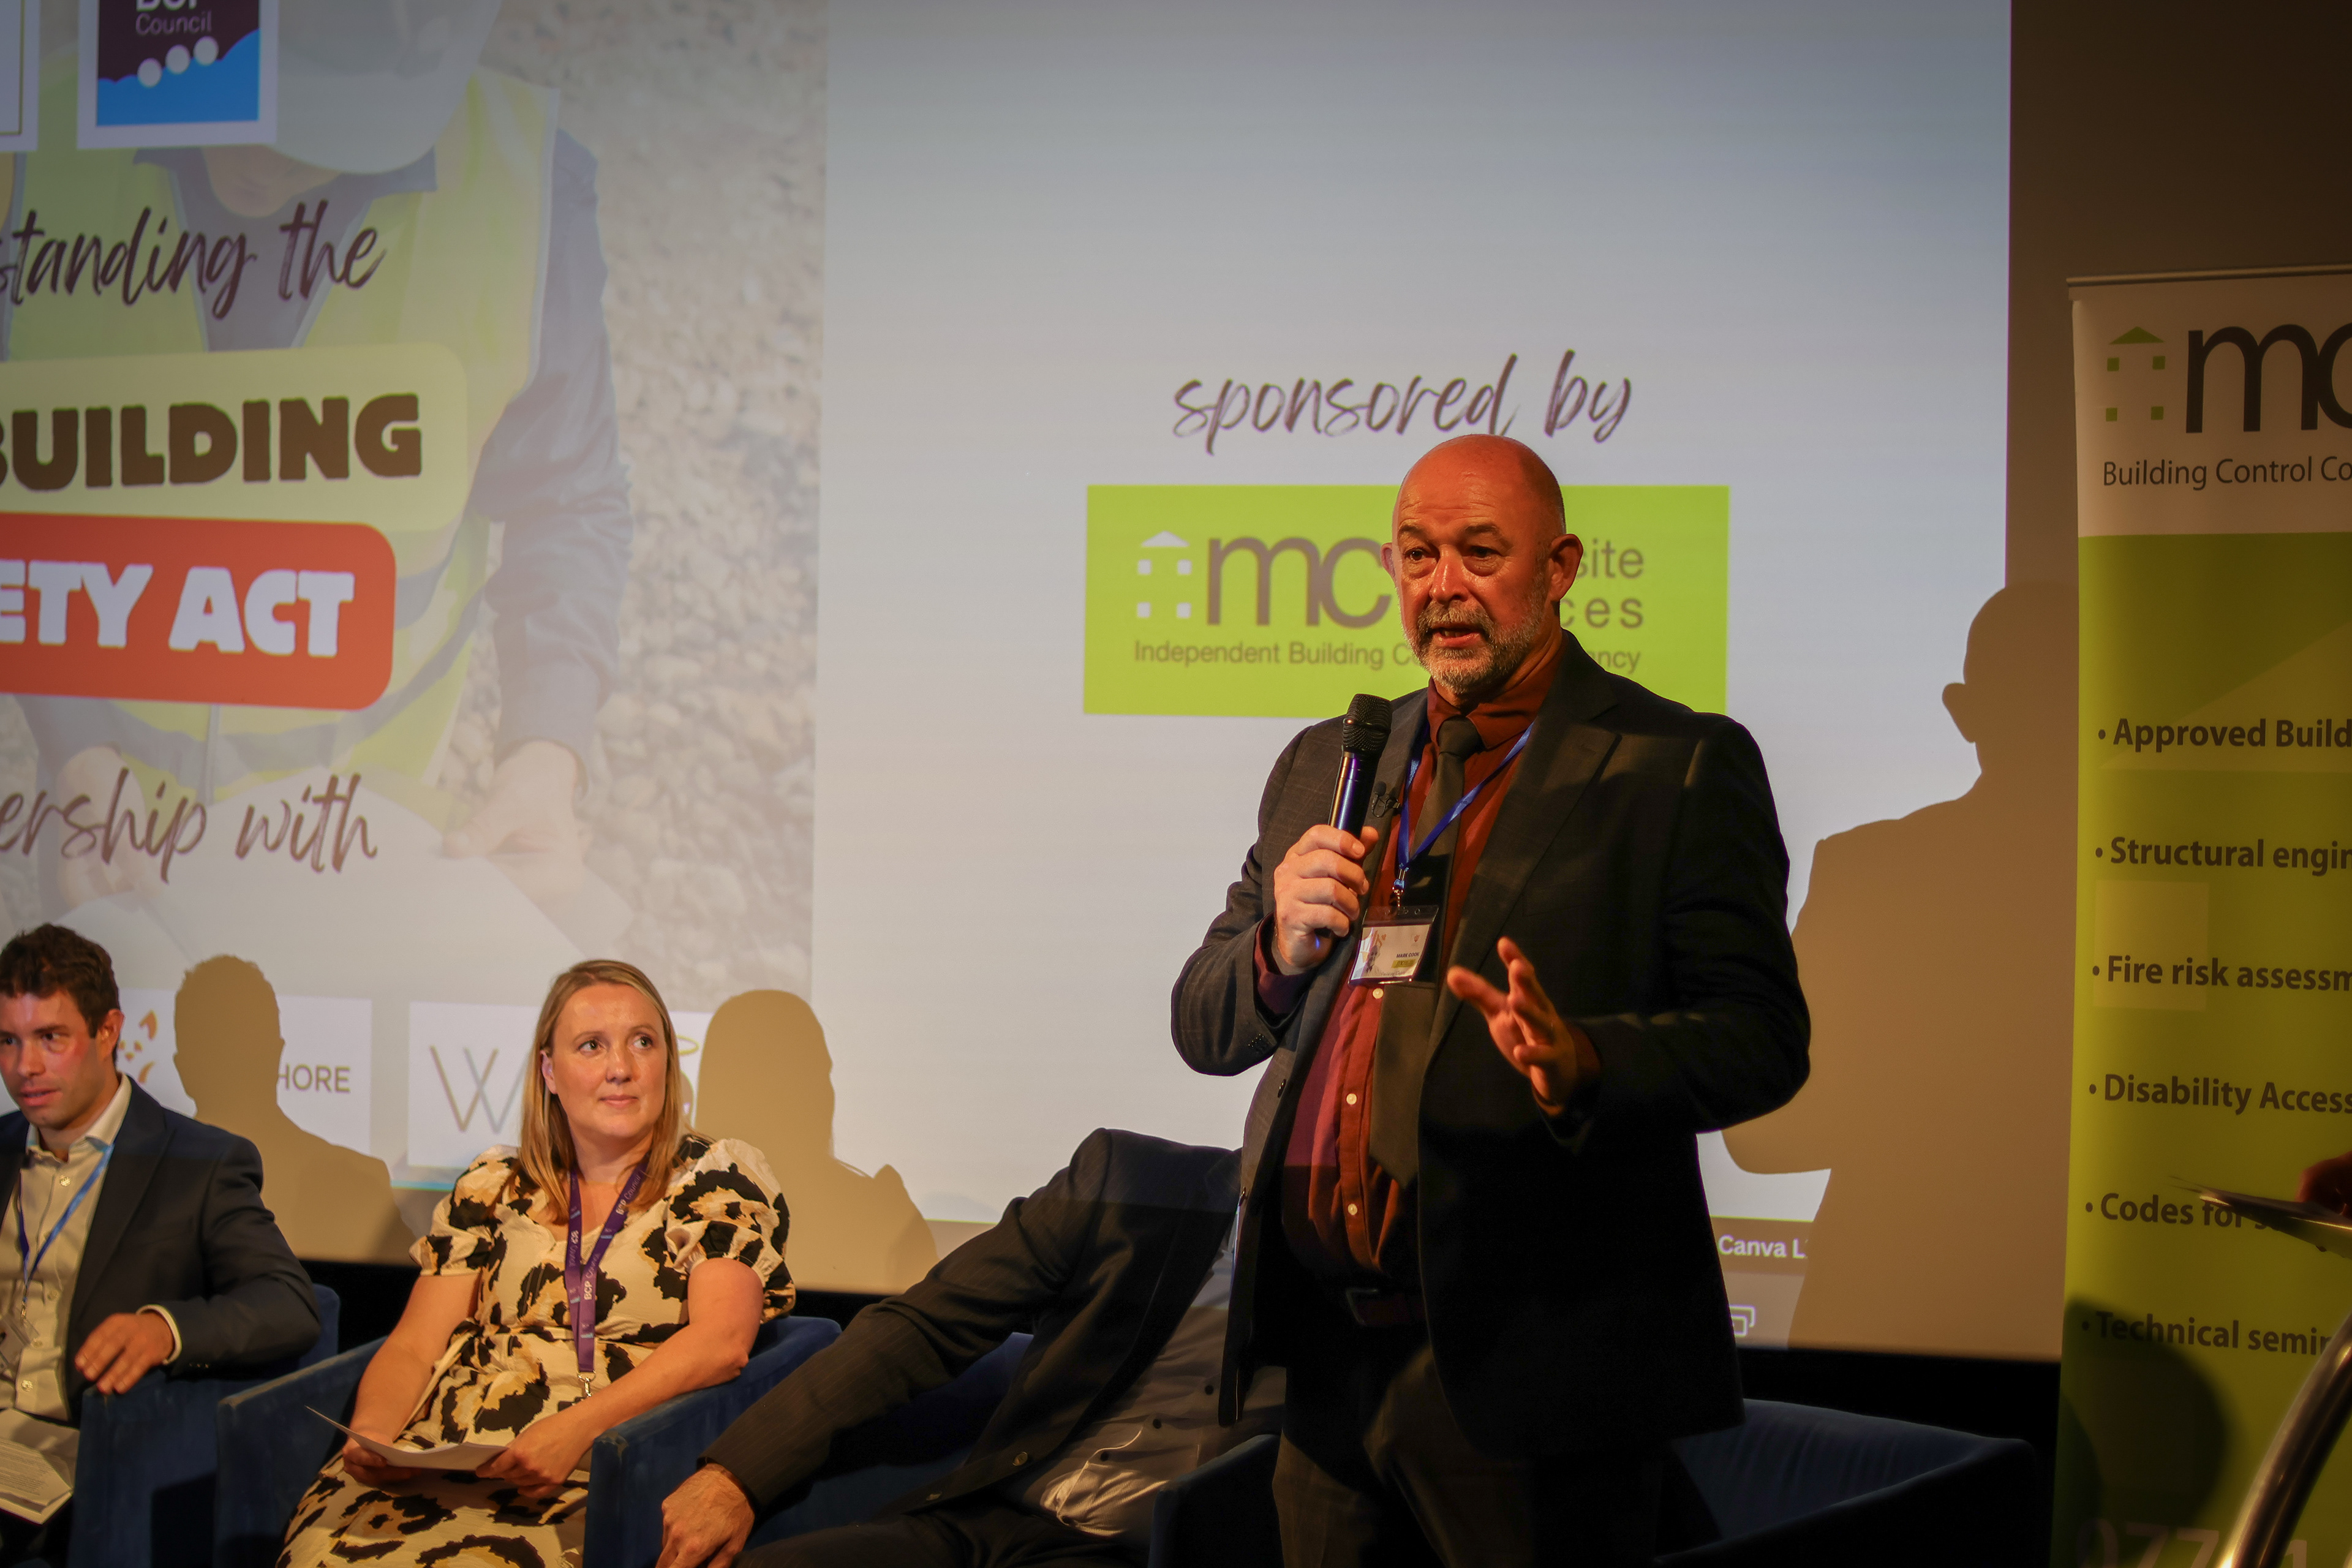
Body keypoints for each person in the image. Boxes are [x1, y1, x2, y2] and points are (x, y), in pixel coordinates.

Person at [1170, 434, 1810, 1566]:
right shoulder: (1331, 763)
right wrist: (1274, 949)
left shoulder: (1673, 764)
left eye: (1480, 552)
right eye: (1418, 555)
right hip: (1326, 1370)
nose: (1443, 587)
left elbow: (1761, 1040)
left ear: (1560, 569)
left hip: (1535, 1374)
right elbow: (1203, 1023)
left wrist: (1588, 1063)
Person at [4, 0, 631, 913]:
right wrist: (74, 744)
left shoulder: (525, 194)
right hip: (101, 832)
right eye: (236, 106)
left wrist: (545, 750)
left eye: (312, 131)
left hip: (369, 853)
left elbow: (566, 501)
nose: (262, 158)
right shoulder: (33, 154)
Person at [280, 959, 793, 1567]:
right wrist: (374, 1435)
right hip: (447, 1456)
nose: (621, 1067)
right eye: (592, 1045)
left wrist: (578, 1429)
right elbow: (416, 1345)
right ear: (549, 1071)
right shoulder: (493, 1184)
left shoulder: (713, 1180)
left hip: (593, 1474)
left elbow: (723, 1342)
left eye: (643, 1042)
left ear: (667, 1062)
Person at [653, 1129, 1283, 1568]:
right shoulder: (1129, 1180)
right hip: (990, 1516)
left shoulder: (1340, 1276)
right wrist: (736, 1476)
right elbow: (924, 1325)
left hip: (1137, 1554)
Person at [1725, 584, 2076, 1355]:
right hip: (2073, 1326)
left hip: (1879, 1315)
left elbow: (1770, 1128)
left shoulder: (1871, 871)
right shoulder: (2188, 885)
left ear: (1964, 711)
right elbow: (1765, 1127)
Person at [0, 924, 319, 1564]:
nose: (24, 1067)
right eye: (8, 1041)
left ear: (108, 1032)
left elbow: (289, 1302)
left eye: (51, 1038)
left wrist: (162, 1329)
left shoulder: (199, 1163)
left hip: (87, 1462)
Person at [171, 956, 413, 1263]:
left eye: (241, 1046)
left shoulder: (146, 1183)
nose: (235, 1065)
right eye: (224, 1048)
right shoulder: (360, 1181)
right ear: (277, 1055)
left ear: (184, 1069)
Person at [692, 990, 937, 1293]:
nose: (823, 1091)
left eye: (821, 1072)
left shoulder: (886, 1212)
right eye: (796, 1074)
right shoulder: (668, 1209)